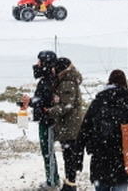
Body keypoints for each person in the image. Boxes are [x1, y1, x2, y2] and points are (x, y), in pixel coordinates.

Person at [78, 69, 128, 191]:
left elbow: (84, 131)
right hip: (122, 158)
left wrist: (77, 158)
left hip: (99, 159)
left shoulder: (97, 103)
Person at [48, 57, 84, 191]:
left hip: (70, 126)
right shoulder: (67, 81)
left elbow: (67, 105)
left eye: (55, 68)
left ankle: (70, 184)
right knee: (69, 156)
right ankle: (69, 183)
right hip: (69, 125)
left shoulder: (67, 83)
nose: (52, 70)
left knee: (69, 157)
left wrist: (51, 111)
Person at [29, 50, 60, 189]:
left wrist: (33, 102)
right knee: (47, 151)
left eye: (39, 62)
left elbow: (44, 101)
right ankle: (52, 178)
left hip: (48, 121)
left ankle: (52, 181)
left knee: (48, 151)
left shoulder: (49, 81)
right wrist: (30, 101)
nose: (37, 65)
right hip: (45, 120)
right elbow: (40, 100)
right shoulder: (46, 81)